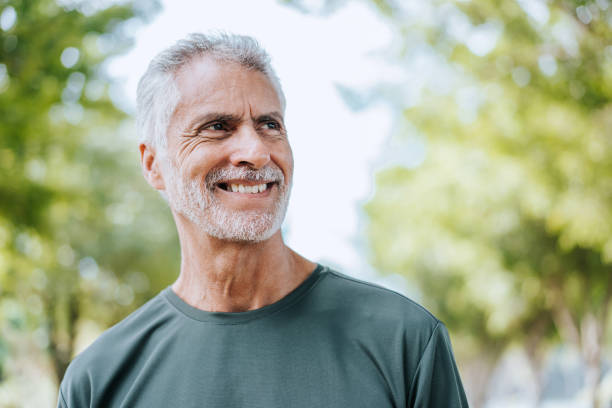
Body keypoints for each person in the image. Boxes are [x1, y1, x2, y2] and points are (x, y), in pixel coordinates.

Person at [57, 32, 469, 408]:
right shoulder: (98, 380)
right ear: (153, 165)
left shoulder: (405, 342)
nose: (256, 152)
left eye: (270, 125)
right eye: (218, 127)